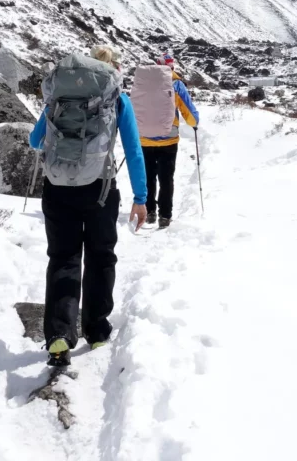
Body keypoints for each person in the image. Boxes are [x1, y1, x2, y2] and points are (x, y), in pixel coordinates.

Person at [30, 45, 149, 366]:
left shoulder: (59, 99)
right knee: (100, 257)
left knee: (63, 258)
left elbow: (34, 140)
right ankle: (96, 331)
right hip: (100, 189)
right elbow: (134, 151)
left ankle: (59, 333)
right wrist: (141, 198)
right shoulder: (116, 99)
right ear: (110, 72)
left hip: (57, 188)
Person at [141, 53, 200, 229]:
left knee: (148, 176)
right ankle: (165, 216)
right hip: (168, 139)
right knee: (166, 178)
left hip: (145, 139)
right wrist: (195, 123)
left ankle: (149, 211)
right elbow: (188, 110)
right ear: (171, 67)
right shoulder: (176, 85)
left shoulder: (143, 83)